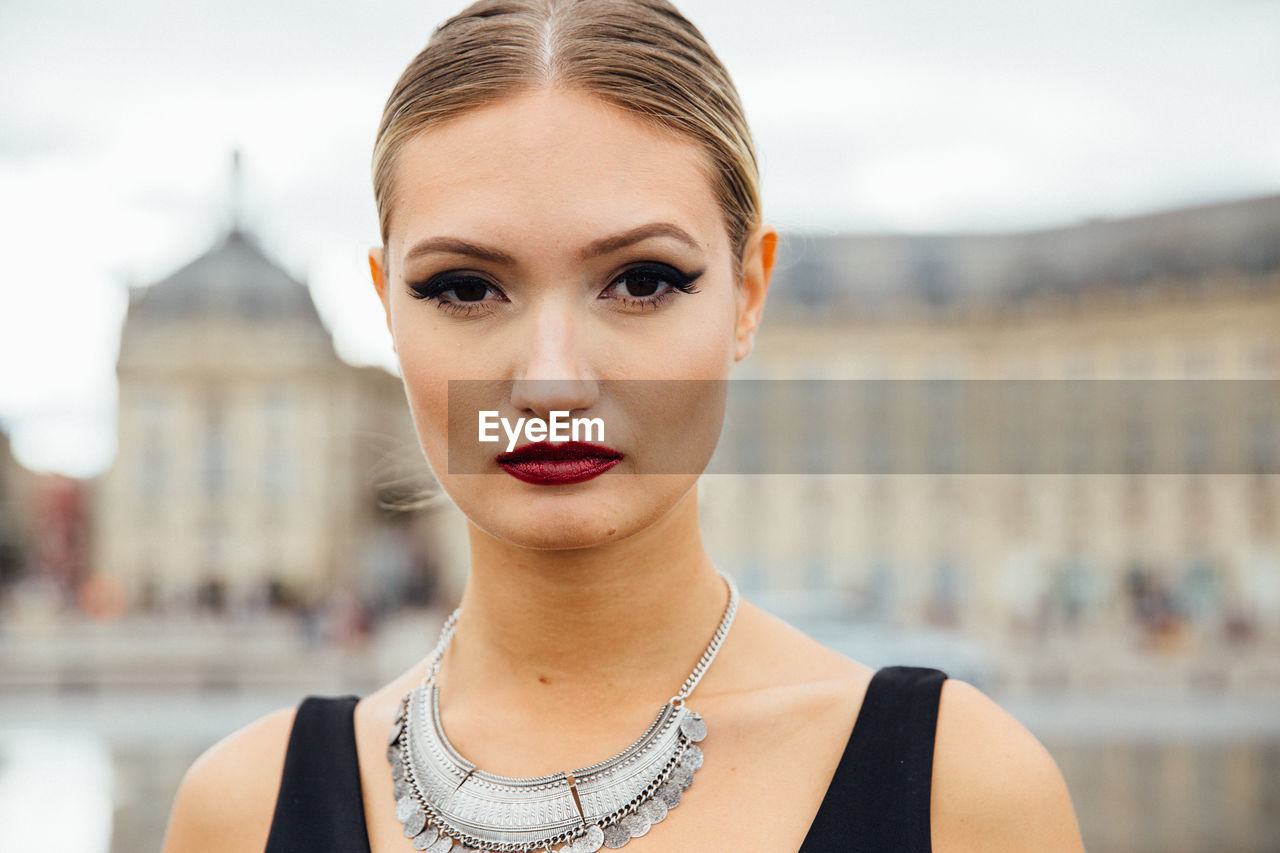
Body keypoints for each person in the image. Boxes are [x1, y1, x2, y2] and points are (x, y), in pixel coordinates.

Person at [161, 1, 1084, 850]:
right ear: (388, 313)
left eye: (642, 280)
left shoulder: (966, 793)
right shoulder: (234, 812)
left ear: (748, 295)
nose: (553, 381)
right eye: (466, 288)